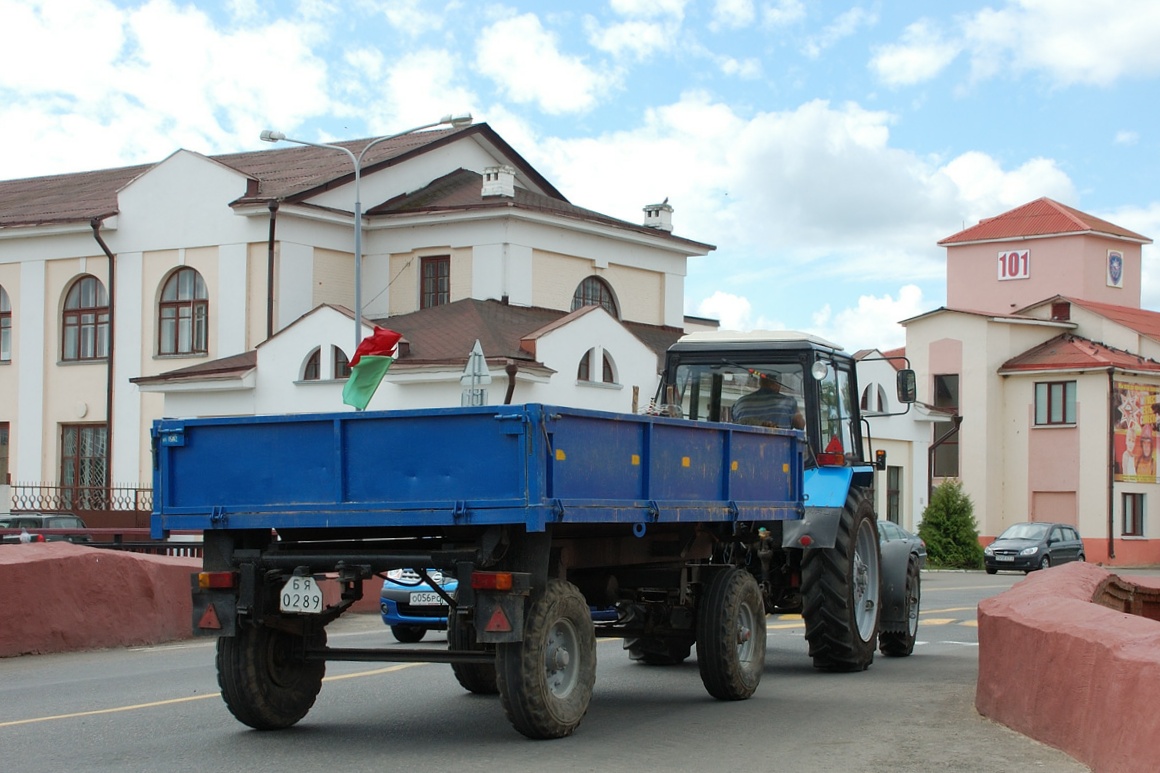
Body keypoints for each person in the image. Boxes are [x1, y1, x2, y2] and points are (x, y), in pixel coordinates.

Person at [731, 372, 804, 429]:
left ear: (760, 382)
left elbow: (735, 424)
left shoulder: (739, 403)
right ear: (777, 383)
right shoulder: (789, 402)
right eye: (780, 384)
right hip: (780, 446)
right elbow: (801, 425)